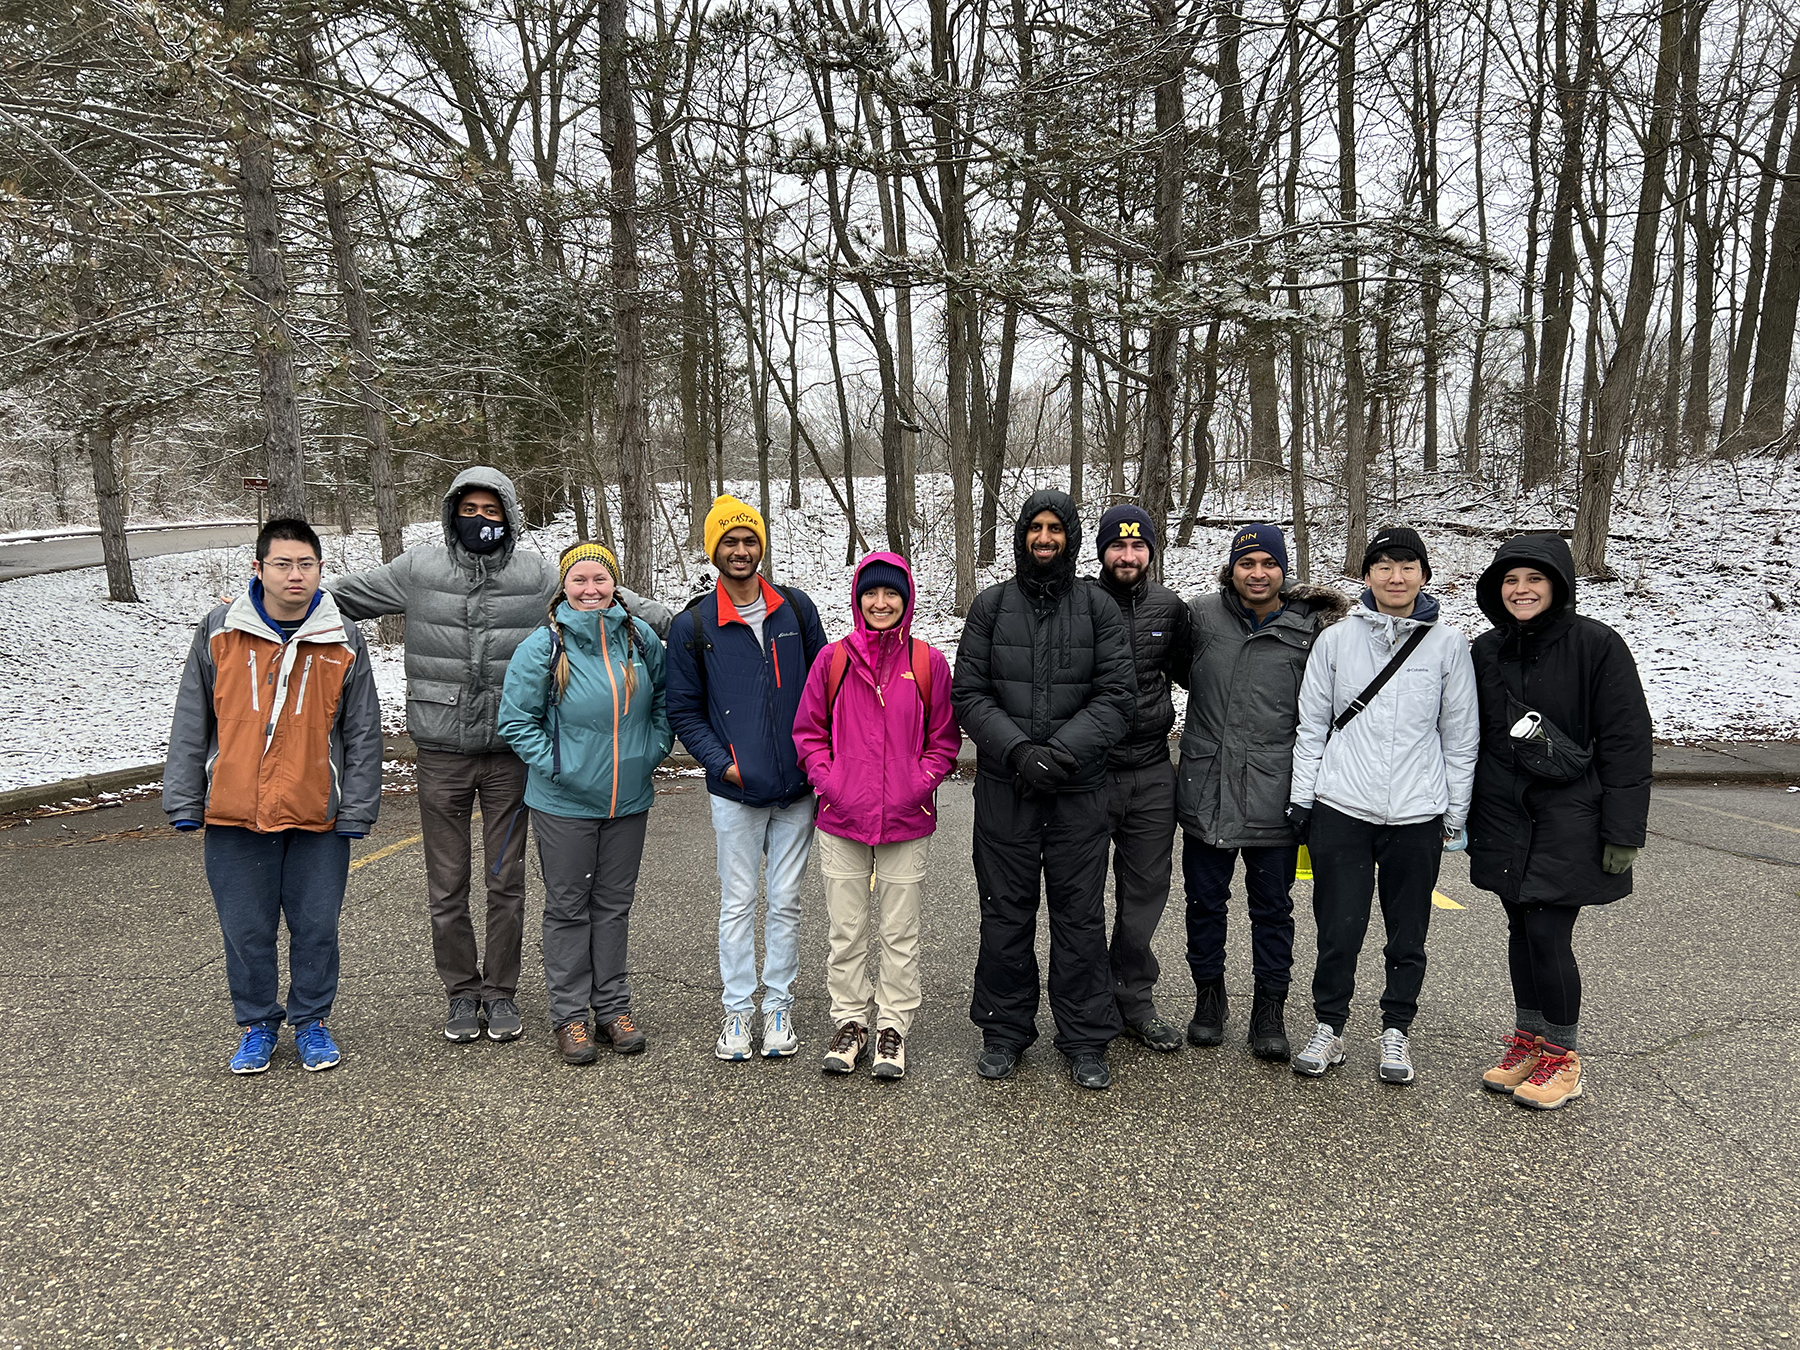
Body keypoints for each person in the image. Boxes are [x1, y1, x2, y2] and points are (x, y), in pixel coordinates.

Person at [329, 467, 671, 1046]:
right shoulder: (418, 570)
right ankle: (461, 992)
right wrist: (275, 596)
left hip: (512, 757)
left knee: (505, 880)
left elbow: (616, 601)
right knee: (447, 883)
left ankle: (502, 993)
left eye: (493, 511)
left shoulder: (538, 574)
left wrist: (699, 621)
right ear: (452, 512)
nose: (481, 520)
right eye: (471, 510)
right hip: (440, 751)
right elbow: (340, 596)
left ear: (509, 514)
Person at [164, 518, 383, 1075]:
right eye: (282, 564)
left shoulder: (343, 636)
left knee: (316, 925)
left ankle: (312, 1021)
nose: (295, 575)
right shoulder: (219, 630)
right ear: (258, 569)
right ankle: (257, 1024)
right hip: (236, 811)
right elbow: (194, 717)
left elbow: (362, 731)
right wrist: (186, 798)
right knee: (246, 928)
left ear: (319, 570)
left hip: (318, 813)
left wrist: (356, 807)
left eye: (305, 564)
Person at [952, 490, 1135, 1089]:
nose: (1045, 539)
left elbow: (1116, 697)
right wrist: (1018, 752)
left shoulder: (1099, 607)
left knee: (1079, 916)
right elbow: (970, 695)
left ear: (1072, 537)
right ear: (1022, 536)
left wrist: (1058, 754)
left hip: (1079, 790)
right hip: (1007, 788)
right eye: (1036, 528)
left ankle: (1084, 1037)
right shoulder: (991, 606)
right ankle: (1004, 1030)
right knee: (1005, 913)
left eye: (1057, 528)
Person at [1286, 526, 1478, 1085]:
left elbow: (1459, 735)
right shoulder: (1336, 641)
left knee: (1407, 933)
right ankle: (1329, 1028)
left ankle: (1396, 1031)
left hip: (1417, 813)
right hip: (1342, 806)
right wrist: (1303, 798)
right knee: (1338, 929)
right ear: (1366, 575)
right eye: (1384, 566)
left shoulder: (1448, 646)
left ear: (1424, 574)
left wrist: (1455, 814)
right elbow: (1312, 726)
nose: (1396, 577)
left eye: (1407, 566)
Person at [1466, 533, 1651, 1110]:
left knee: (1548, 933)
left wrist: (1623, 830)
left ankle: (1563, 1057)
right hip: (1501, 811)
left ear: (1558, 585)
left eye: (1534, 579)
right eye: (1510, 580)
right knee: (1520, 931)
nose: (1521, 590)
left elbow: (1626, 739)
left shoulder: (1596, 645)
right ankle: (1529, 1041)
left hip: (1570, 813)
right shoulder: (1485, 651)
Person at [497, 542, 672, 1065]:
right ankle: (571, 1015)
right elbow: (516, 721)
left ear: (614, 583)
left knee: (614, 908)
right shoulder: (543, 647)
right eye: (580, 580)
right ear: (564, 586)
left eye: (600, 579)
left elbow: (664, 700)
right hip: (563, 803)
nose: (590, 589)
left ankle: (612, 1009)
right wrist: (558, 766)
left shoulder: (640, 640)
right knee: (569, 909)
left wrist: (652, 750)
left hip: (629, 799)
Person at [666, 495, 827, 1061]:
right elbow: (683, 710)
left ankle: (777, 1004)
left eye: (749, 540)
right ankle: (737, 1013)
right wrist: (724, 764)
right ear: (714, 550)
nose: (741, 550)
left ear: (761, 546)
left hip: (796, 790)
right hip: (734, 791)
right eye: (729, 541)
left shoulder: (797, 612)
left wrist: (817, 758)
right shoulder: (693, 625)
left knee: (785, 901)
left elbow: (823, 689)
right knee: (737, 903)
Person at [1177, 523, 1347, 1062]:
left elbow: (1325, 707)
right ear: (1231, 569)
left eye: (1268, 564)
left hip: (1277, 794)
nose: (1257, 573)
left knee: (1273, 907)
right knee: (1205, 903)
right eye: (1247, 564)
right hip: (1207, 790)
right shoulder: (1200, 617)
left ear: (1282, 570)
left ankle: (1269, 1009)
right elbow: (1179, 671)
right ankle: (1209, 999)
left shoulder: (1311, 628)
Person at [791, 553, 960, 1081]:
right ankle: (849, 1022)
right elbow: (809, 734)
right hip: (842, 818)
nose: (881, 603)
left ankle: (892, 1027)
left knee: (899, 930)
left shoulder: (929, 663)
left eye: (891, 595)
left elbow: (944, 741)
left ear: (906, 600)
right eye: (871, 594)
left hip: (906, 820)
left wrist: (916, 784)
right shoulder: (833, 660)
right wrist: (831, 781)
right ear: (858, 598)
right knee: (847, 930)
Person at [1089, 505, 1193, 1053]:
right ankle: (1086, 1000)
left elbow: (1198, 669)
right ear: (1102, 550)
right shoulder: (1081, 602)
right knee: (1081, 893)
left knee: (1144, 892)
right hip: (1091, 771)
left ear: (1151, 551)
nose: (1127, 556)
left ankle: (1133, 997)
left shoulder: (1169, 608)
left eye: (1137, 546)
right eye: (1117, 546)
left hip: (1152, 769)